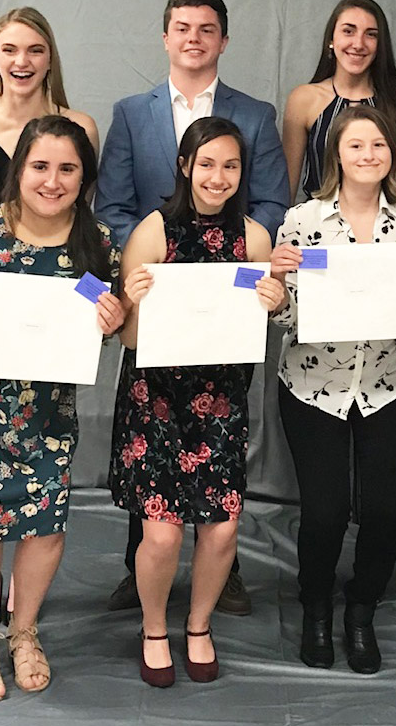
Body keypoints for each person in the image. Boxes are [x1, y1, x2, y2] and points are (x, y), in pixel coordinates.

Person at [95, 0, 289, 615]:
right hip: (158, 298)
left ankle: (215, 580)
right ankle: (143, 576)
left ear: (223, 40)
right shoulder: (132, 112)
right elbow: (114, 206)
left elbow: (271, 203)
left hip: (226, 318)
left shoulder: (255, 114)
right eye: (182, 27)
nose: (194, 38)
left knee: (218, 511)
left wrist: (239, 265)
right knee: (156, 518)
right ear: (166, 36)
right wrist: (154, 268)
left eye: (207, 29)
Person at [109, 116, 284, 687]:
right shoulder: (153, 232)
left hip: (221, 402)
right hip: (156, 401)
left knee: (223, 530)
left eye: (230, 165)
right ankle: (154, 628)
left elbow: (260, 328)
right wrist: (131, 302)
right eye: (206, 163)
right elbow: (128, 341)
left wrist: (274, 302)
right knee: (159, 533)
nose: (218, 176)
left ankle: (200, 625)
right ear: (185, 166)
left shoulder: (255, 238)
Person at [270, 105, 396, 674]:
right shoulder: (303, 221)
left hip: (388, 381)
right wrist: (276, 292)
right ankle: (316, 604)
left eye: (379, 146)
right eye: (356, 146)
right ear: (335, 155)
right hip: (313, 384)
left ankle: (362, 608)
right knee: (324, 512)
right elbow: (286, 317)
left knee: (390, 511)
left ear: (391, 154)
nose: (368, 155)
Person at [0, 115, 123, 699]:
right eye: (40, 166)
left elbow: (100, 321)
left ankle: (24, 633)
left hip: (48, 418)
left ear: (84, 176)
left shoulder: (93, 247)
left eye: (67, 168)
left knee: (43, 527)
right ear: (19, 168)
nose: (52, 180)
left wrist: (114, 319)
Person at [282, 0, 396, 204]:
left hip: (390, 230)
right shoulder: (303, 99)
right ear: (331, 40)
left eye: (371, 34)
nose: (358, 43)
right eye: (348, 31)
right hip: (318, 230)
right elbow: (286, 190)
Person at [0, 7, 98, 199]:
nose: (22, 61)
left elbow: (81, 211)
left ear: (50, 60)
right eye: (9, 50)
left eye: (35, 51)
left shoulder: (81, 127)